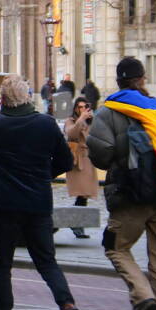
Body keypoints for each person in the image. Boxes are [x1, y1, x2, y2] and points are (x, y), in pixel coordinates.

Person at [0, 75, 85, 310]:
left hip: (6, 206)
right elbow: (66, 160)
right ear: (27, 97)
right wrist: (42, 176)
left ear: (4, 100)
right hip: (38, 204)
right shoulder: (46, 124)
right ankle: (67, 304)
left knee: (2, 265)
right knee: (47, 262)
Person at [87, 57, 156, 310]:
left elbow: (100, 154)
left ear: (119, 81)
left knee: (116, 246)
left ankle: (143, 296)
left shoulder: (107, 112)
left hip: (130, 194)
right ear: (142, 79)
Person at [64, 97, 100, 239]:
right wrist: (81, 119)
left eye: (85, 106)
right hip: (77, 160)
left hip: (89, 159)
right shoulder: (71, 121)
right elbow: (71, 133)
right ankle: (75, 223)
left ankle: (76, 223)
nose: (82, 109)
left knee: (85, 194)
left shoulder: (92, 121)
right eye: (79, 107)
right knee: (81, 192)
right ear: (75, 109)